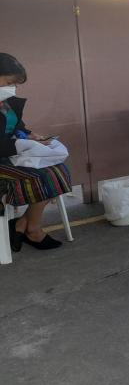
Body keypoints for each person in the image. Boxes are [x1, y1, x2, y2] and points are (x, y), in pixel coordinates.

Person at [0, 53, 73, 251]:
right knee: (43, 176)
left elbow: (17, 125)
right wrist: (21, 145)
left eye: (15, 84)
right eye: (9, 82)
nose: (12, 88)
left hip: (11, 153)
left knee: (58, 169)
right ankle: (32, 230)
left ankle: (24, 224)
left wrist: (31, 136)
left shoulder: (7, 101)